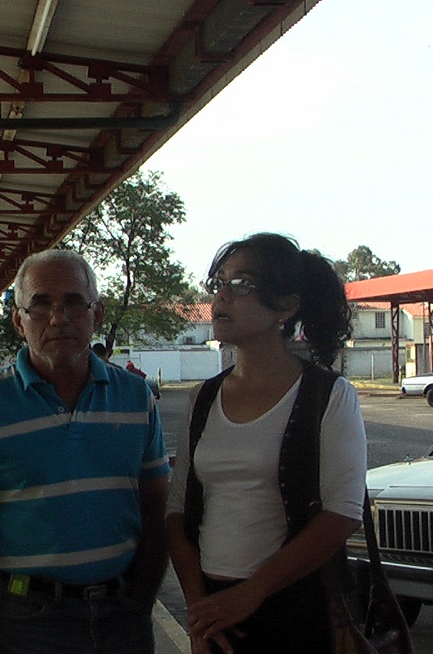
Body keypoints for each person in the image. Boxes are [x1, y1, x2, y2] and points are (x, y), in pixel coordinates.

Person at [0, 249, 170, 654]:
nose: (59, 318)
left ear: (97, 314)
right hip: (24, 624)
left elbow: (156, 511)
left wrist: (139, 602)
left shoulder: (137, 399)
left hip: (122, 618)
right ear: (18, 321)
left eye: (74, 303)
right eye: (41, 305)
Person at [166, 232, 367, 654]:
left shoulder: (327, 395)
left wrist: (251, 593)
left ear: (286, 306)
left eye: (240, 284)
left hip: (294, 609)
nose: (221, 297)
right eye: (219, 282)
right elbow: (177, 511)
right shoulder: (202, 398)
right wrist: (200, 608)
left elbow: (342, 514)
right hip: (216, 614)